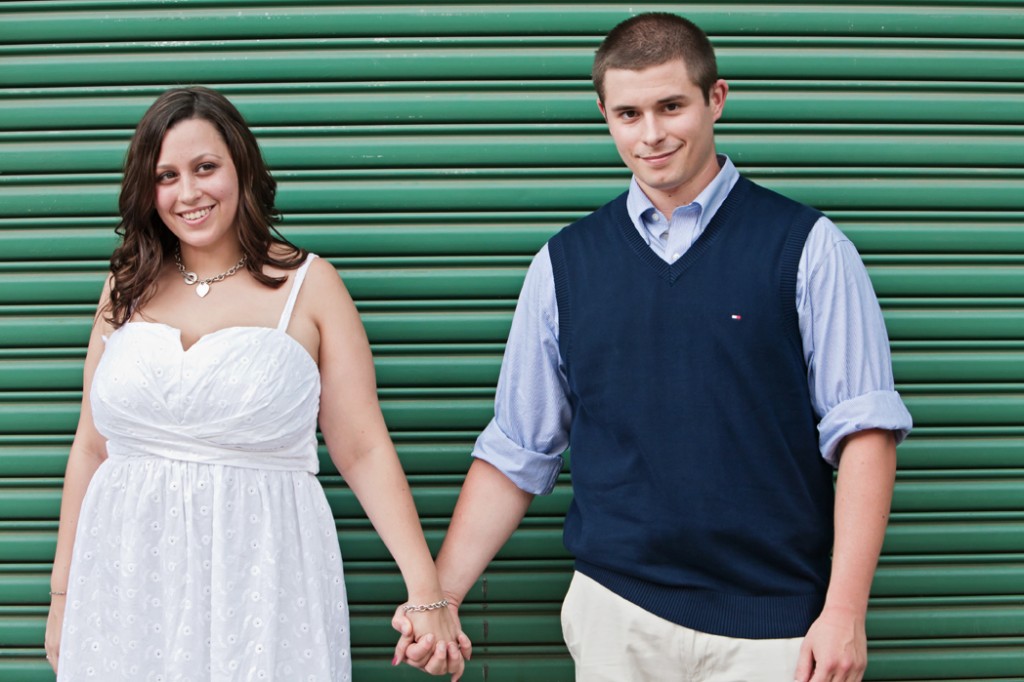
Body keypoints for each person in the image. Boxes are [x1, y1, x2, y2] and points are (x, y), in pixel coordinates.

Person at [394, 12, 913, 682]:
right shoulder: (565, 265)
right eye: (628, 114)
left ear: (715, 98)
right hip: (618, 614)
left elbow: (865, 432)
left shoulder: (807, 247)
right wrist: (443, 596)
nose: (651, 134)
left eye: (671, 106)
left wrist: (844, 611)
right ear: (605, 115)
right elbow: (518, 450)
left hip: (775, 626)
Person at [44, 86, 465, 681]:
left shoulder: (311, 286)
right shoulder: (124, 286)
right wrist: (63, 598)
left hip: (263, 573)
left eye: (205, 167)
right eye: (166, 175)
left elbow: (362, 447)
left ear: (242, 167)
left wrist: (427, 593)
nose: (188, 193)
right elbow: (91, 445)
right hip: (124, 578)